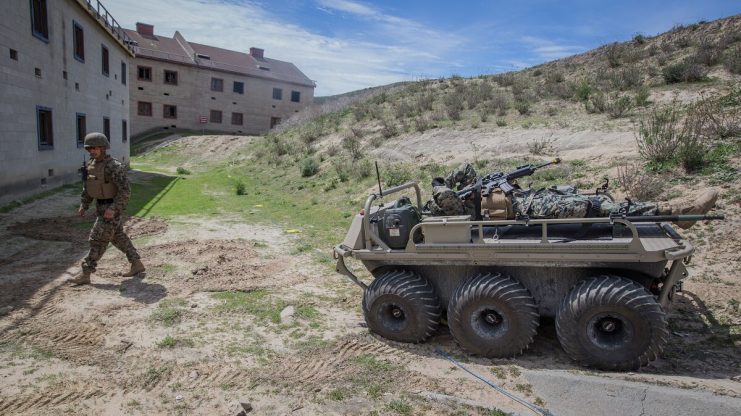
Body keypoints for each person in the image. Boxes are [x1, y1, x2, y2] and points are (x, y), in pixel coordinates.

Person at [426, 162, 719, 229]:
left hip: (528, 200)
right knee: (589, 206)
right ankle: (676, 212)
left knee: (584, 197)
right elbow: (449, 199)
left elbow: (466, 170)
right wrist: (440, 188)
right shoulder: (443, 207)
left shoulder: (456, 195)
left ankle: (668, 209)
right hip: (526, 209)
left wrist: (442, 179)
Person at [68, 133, 145, 285]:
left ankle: (86, 273)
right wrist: (84, 205)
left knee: (97, 240)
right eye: (89, 148)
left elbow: (125, 190)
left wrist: (114, 208)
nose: (91, 151)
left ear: (103, 148)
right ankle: (137, 264)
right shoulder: (91, 165)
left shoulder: (113, 166)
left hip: (111, 208)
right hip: (100, 207)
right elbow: (89, 188)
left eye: (94, 148)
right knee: (118, 237)